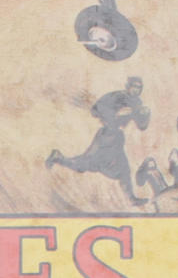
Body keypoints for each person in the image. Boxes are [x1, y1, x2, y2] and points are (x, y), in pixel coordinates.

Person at [47, 77, 149, 206]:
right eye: (134, 86)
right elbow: (95, 110)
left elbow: (142, 126)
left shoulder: (137, 103)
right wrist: (114, 115)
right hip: (106, 136)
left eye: (139, 87)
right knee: (86, 163)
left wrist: (144, 116)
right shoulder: (117, 96)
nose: (136, 90)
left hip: (117, 138)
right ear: (128, 86)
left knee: (123, 170)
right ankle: (58, 158)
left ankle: (131, 199)